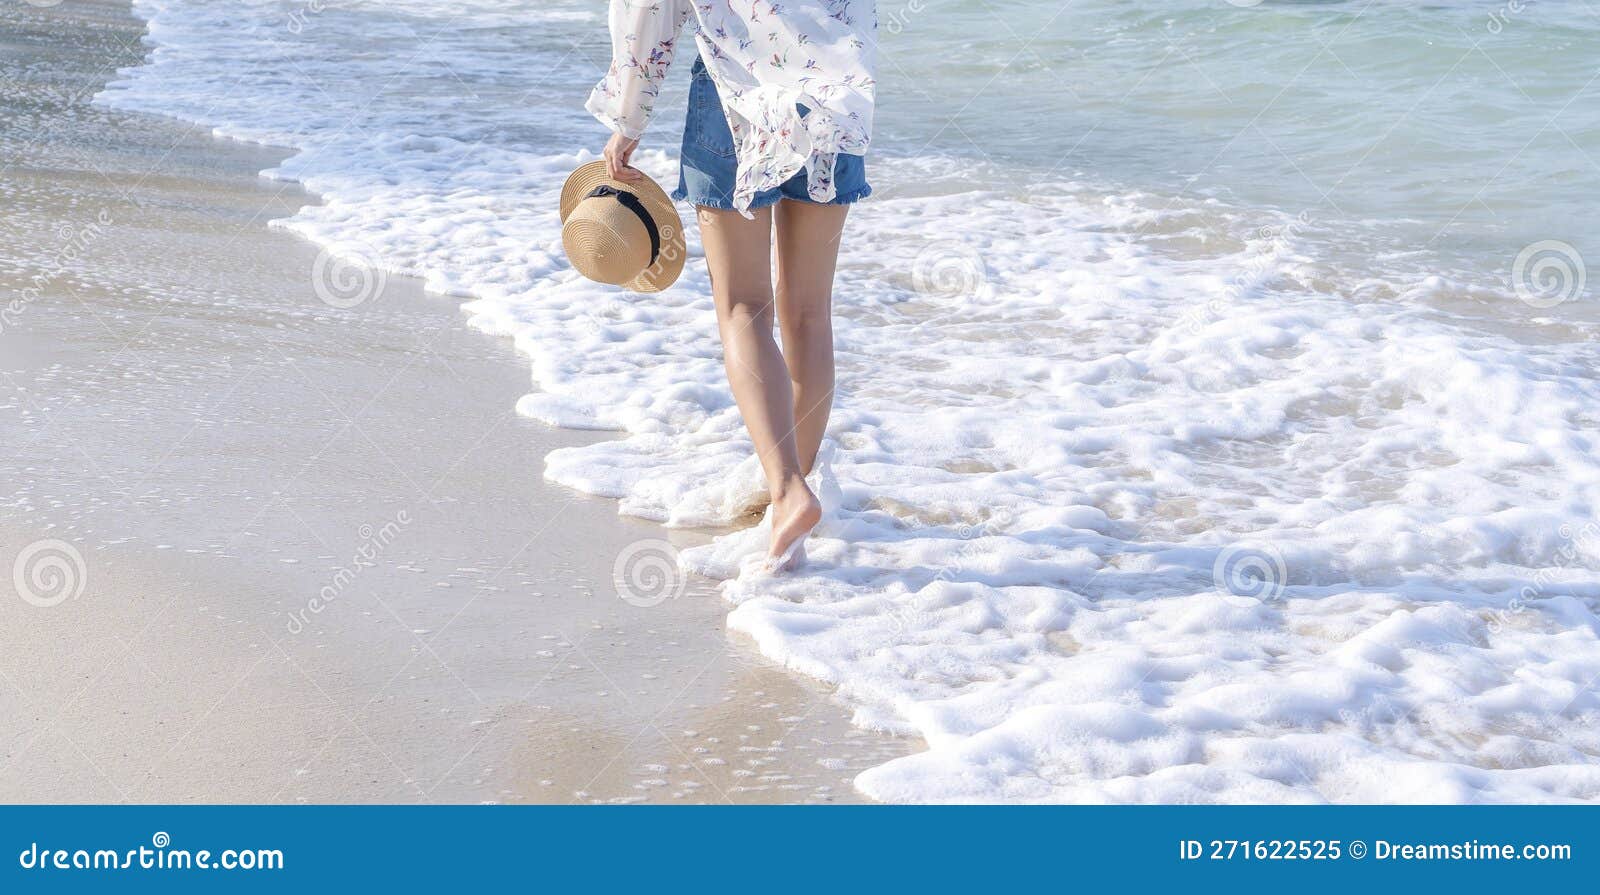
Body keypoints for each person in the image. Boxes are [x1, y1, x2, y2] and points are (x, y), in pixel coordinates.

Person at [587, 1, 878, 571]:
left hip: (734, 96)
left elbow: (648, 10)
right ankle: (793, 501)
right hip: (837, 104)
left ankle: (789, 490)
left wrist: (628, 120)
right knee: (810, 313)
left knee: (744, 306)